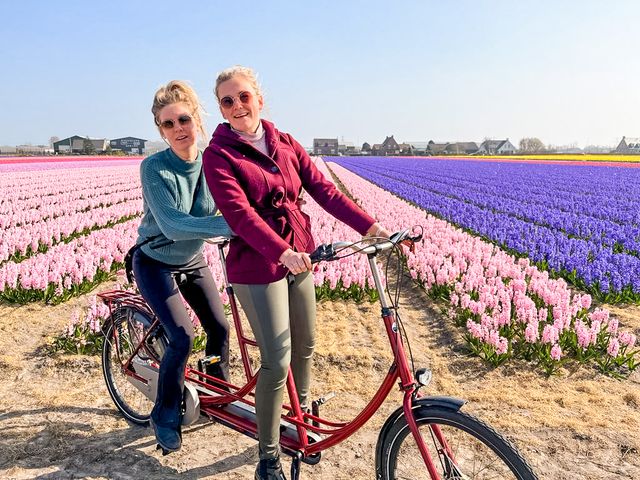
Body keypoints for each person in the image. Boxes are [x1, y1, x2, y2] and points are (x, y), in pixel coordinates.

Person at [202, 66, 391, 480]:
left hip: (298, 253)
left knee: (305, 344)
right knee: (276, 359)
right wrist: (281, 252)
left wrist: (371, 227)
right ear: (221, 108)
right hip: (257, 264)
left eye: (244, 96)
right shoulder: (219, 155)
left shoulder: (285, 142)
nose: (237, 106)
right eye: (227, 101)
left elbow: (324, 190)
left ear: (259, 99)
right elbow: (240, 215)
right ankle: (268, 456)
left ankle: (300, 420)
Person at [133, 80, 233, 454]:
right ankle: (165, 413)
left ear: (197, 120)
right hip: (155, 261)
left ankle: (216, 390)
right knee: (182, 336)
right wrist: (230, 225)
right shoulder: (154, 168)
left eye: (184, 120)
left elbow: (237, 199)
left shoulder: (212, 162)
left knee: (219, 328)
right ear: (160, 129)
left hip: (192, 260)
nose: (178, 129)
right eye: (168, 123)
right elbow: (173, 225)